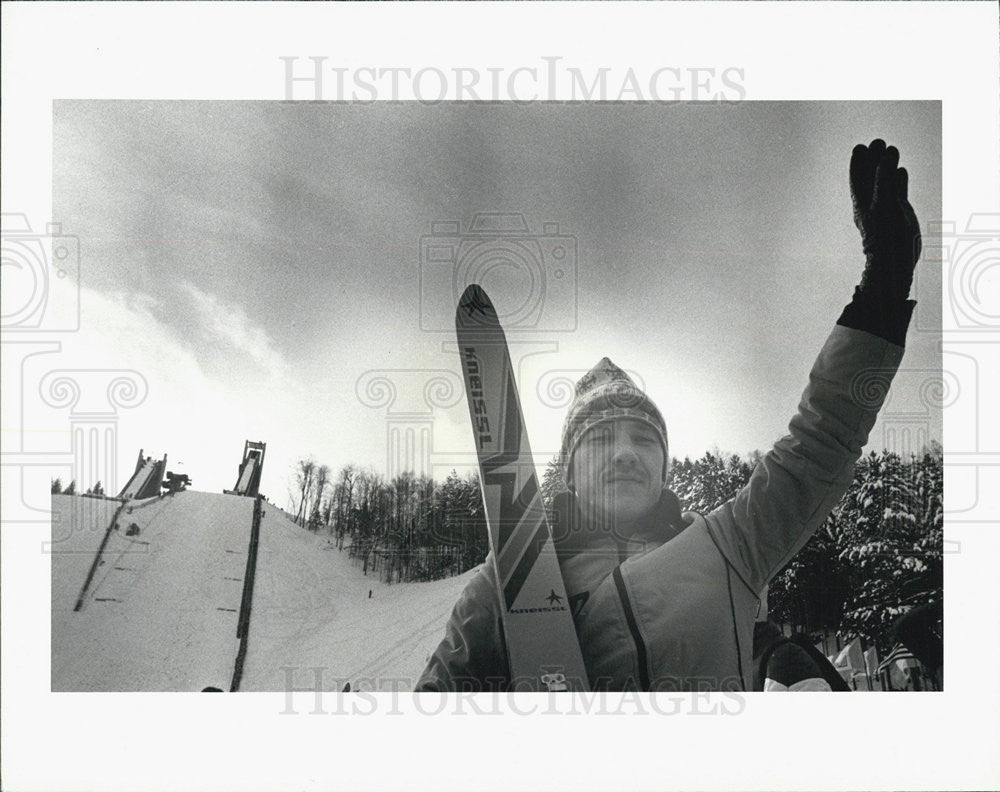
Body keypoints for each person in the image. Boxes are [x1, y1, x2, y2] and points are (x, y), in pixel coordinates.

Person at [417, 139, 922, 692]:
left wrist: (883, 289)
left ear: (664, 463)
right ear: (568, 466)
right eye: (602, 438)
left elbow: (820, 443)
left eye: (644, 438)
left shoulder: (728, 547)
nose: (628, 452)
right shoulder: (507, 579)